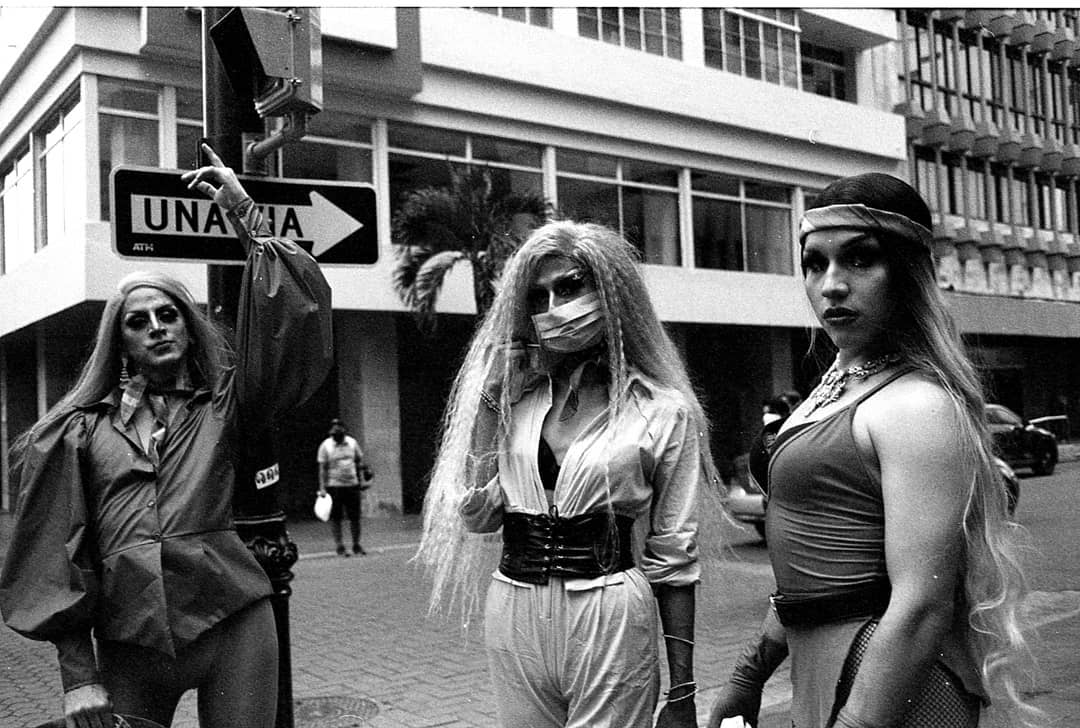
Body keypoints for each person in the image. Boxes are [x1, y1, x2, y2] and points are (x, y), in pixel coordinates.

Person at [0, 143, 333, 728]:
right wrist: (79, 677)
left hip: (234, 623)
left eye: (168, 314)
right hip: (130, 642)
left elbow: (293, 315)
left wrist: (244, 214)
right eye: (138, 320)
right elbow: (55, 555)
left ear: (186, 321)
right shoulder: (76, 431)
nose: (156, 327)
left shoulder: (225, 405)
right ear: (120, 339)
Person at [708, 172, 1037, 728]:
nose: (831, 284)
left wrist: (856, 722)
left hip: (892, 685)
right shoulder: (838, 385)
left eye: (860, 260)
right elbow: (811, 572)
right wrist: (748, 675)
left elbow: (921, 606)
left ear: (908, 275)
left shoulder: (916, 405)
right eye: (815, 263)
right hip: (825, 677)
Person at [415, 220, 721, 728]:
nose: (554, 307)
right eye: (538, 296)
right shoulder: (518, 403)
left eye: (572, 286)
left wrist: (683, 688)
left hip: (611, 613)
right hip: (513, 607)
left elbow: (675, 556)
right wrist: (490, 397)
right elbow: (474, 515)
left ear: (613, 292)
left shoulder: (663, 411)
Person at [317, 418, 373, 556]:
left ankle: (356, 544)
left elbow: (359, 462)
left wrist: (363, 479)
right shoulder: (326, 446)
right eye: (334, 431)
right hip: (334, 486)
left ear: (344, 431)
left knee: (355, 517)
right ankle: (340, 546)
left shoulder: (352, 443)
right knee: (336, 517)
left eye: (339, 430)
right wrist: (322, 488)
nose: (336, 433)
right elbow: (322, 469)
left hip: (352, 485)